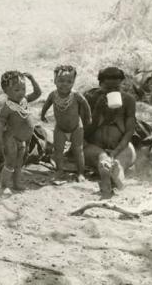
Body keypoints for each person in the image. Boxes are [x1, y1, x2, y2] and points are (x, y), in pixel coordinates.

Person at [84, 67, 137, 199]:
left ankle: (112, 175)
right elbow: (84, 133)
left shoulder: (128, 100)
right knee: (101, 156)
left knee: (119, 163)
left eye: (116, 88)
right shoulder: (90, 98)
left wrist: (117, 150)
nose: (112, 91)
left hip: (121, 146)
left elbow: (129, 131)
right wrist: (97, 111)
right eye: (108, 88)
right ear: (100, 84)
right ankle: (106, 169)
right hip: (94, 146)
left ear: (121, 84)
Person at [41, 65, 91, 181]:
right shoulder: (53, 95)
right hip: (60, 128)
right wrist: (43, 114)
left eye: (69, 81)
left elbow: (85, 104)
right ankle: (59, 170)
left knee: (78, 150)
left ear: (73, 82)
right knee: (58, 151)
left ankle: (80, 173)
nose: (65, 84)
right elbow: (47, 104)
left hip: (76, 128)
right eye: (61, 81)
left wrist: (88, 116)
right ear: (55, 81)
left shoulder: (76, 95)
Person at [0, 71, 41, 191]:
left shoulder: (24, 100)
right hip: (11, 139)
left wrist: (32, 79)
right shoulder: (8, 107)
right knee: (10, 163)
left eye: (23, 89)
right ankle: (4, 186)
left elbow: (37, 93)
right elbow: (0, 124)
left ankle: (16, 184)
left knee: (19, 164)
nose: (21, 92)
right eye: (16, 90)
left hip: (23, 140)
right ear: (6, 92)